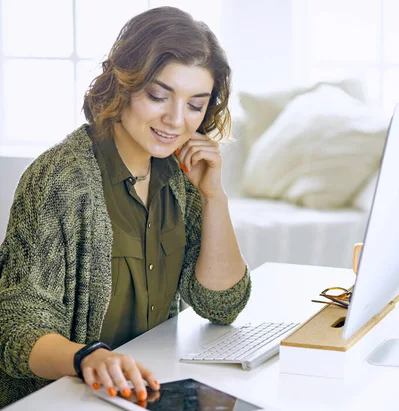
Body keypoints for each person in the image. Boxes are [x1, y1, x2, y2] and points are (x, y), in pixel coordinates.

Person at [0, 6, 251, 407]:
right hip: (62, 399)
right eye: (158, 96)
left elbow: (221, 305)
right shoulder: (60, 179)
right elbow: (15, 326)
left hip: (147, 393)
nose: (175, 120)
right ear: (123, 84)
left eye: (195, 104)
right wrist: (87, 359)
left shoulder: (181, 177)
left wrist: (213, 197)